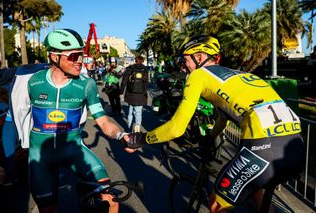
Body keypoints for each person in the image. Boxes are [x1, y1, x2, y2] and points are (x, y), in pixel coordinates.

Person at [123, 35, 305, 212]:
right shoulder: (240, 75)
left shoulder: (198, 75)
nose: (183, 66)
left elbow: (176, 128)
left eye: (184, 59)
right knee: (255, 189)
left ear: (199, 57)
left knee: (217, 204)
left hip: (264, 145)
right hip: (294, 143)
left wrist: (140, 139)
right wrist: (210, 137)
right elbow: (224, 117)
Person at [24, 29, 128, 213]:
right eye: (74, 56)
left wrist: (121, 135)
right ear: (54, 57)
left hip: (73, 150)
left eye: (81, 55)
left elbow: (103, 121)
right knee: (48, 209)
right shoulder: (32, 82)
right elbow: (15, 117)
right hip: (41, 156)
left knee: (110, 197)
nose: (80, 60)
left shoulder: (85, 84)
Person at [120, 55, 149, 132]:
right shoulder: (145, 69)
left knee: (130, 112)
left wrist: (121, 92)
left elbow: (124, 81)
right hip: (141, 95)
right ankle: (137, 130)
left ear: (135, 60)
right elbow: (146, 83)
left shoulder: (130, 68)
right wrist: (145, 94)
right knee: (138, 113)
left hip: (130, 94)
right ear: (142, 61)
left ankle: (129, 129)